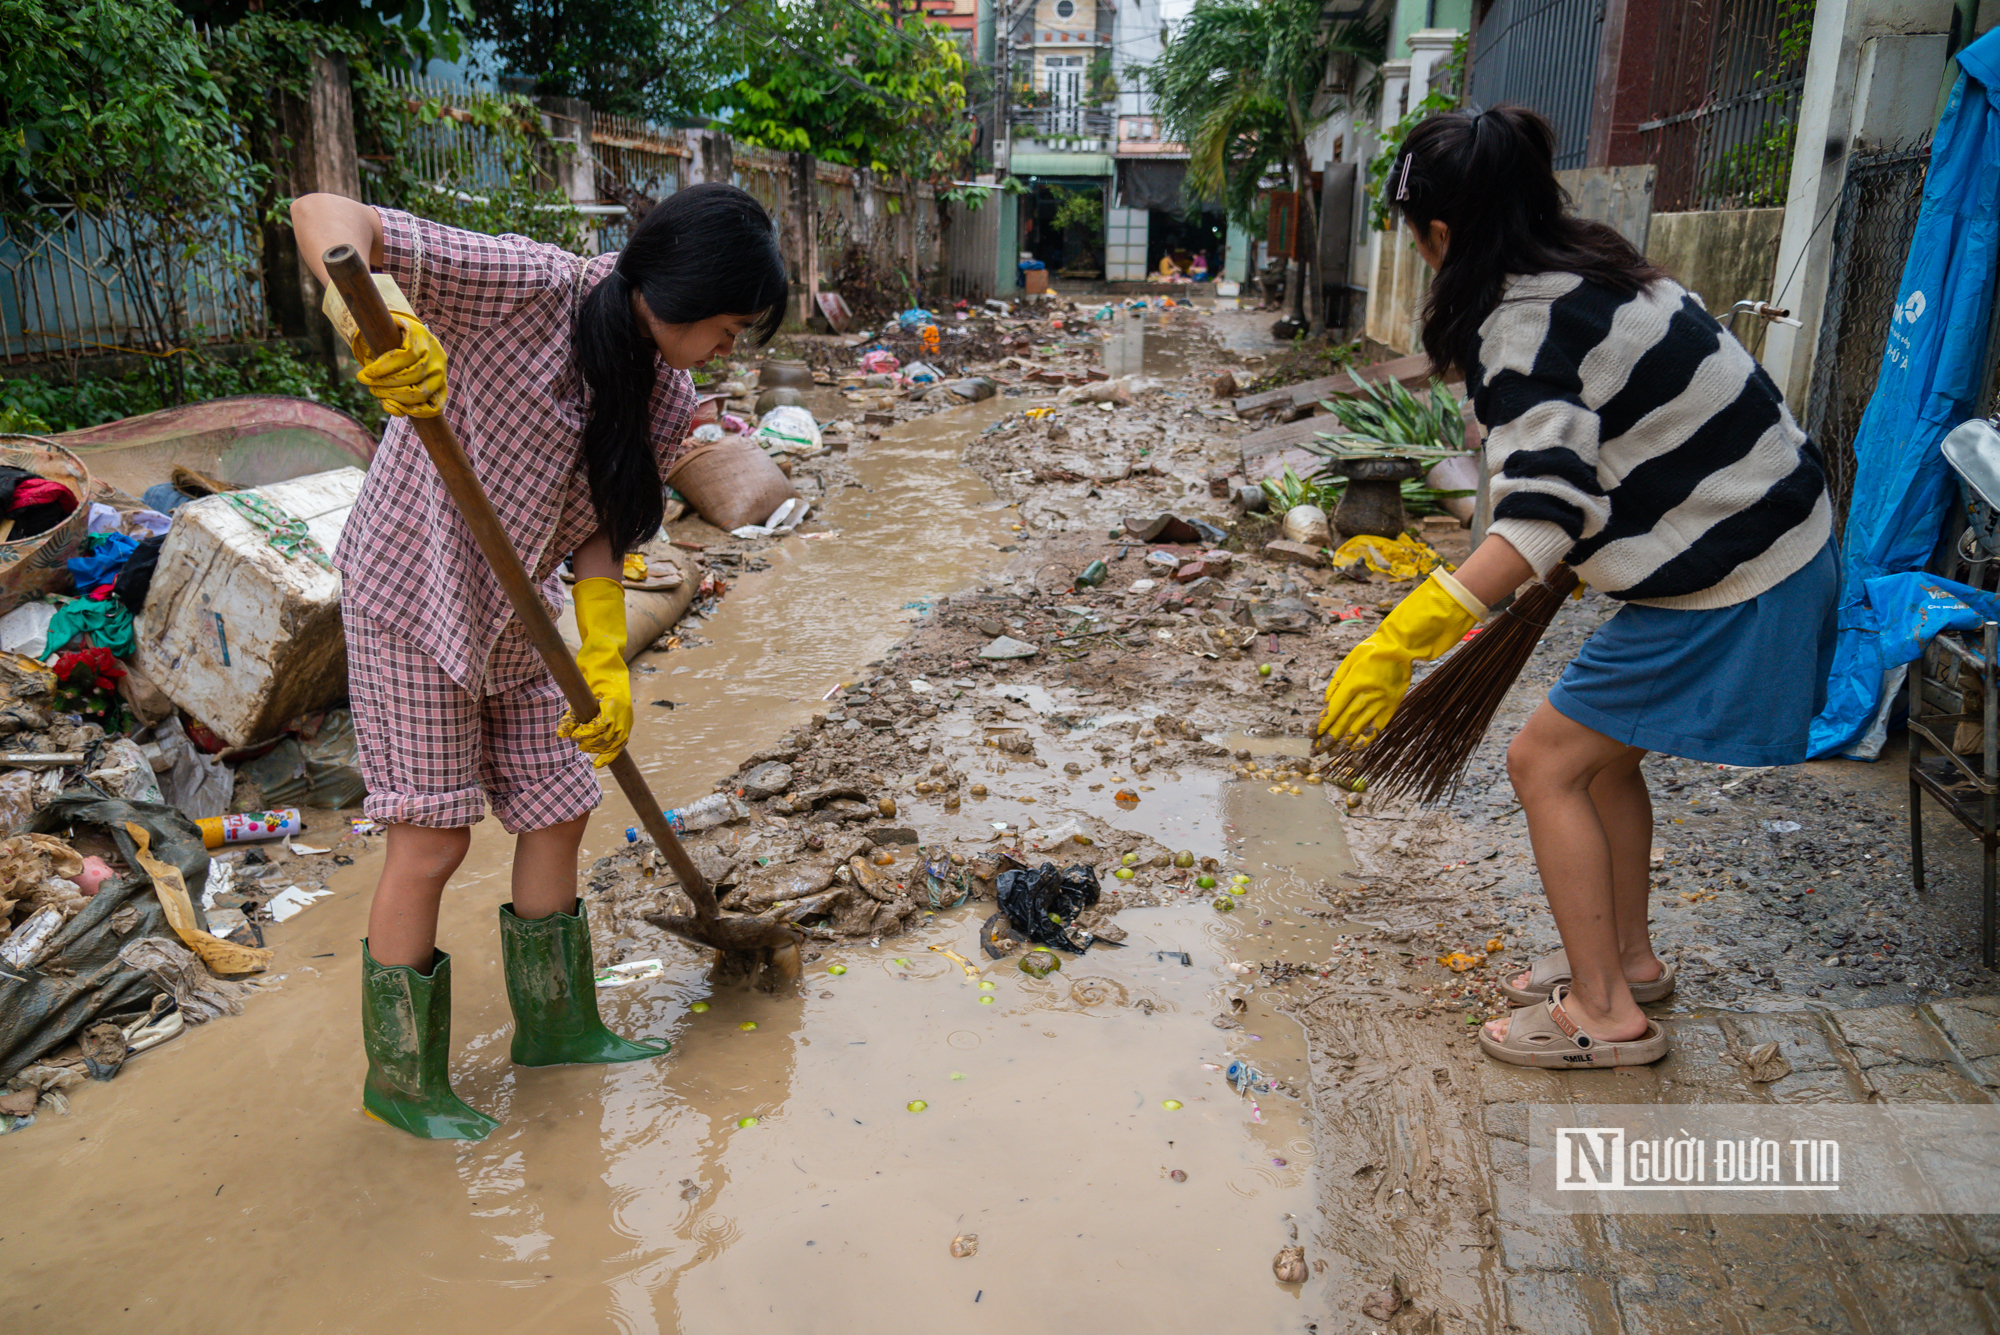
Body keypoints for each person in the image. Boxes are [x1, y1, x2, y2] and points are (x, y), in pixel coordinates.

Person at [1316, 107, 1836, 1069]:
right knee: (1601, 763)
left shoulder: (1523, 326)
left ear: (1438, 236)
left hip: (1732, 570)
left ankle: (1605, 1014)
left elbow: (1540, 520)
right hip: (1768, 537)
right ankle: (1627, 961)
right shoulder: (1592, 269)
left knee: (1543, 762)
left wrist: (1398, 641)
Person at [291, 185, 788, 1139]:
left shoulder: (662, 390)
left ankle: (557, 1025)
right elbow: (324, 214)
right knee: (432, 837)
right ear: (676, 291)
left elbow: (603, 527)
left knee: (560, 806)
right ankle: (401, 1080)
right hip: (414, 593)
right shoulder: (526, 285)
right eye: (728, 329)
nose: (731, 351)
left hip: (526, 618)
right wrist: (384, 314)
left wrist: (605, 656)